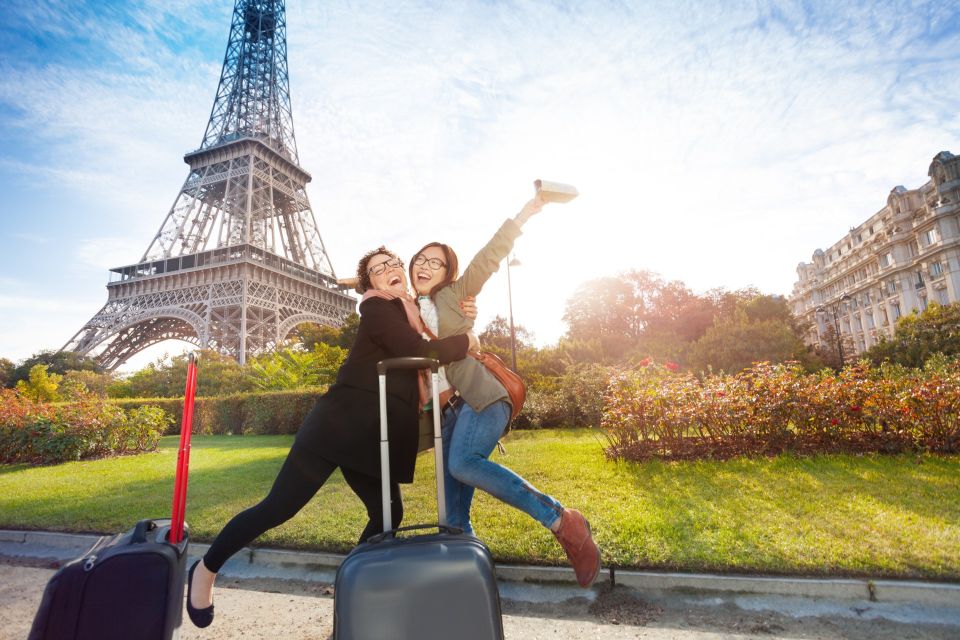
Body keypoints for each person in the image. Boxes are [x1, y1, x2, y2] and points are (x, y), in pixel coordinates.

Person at [186, 247, 477, 628]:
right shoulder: (377, 308)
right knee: (279, 507)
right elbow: (418, 351)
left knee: (388, 514)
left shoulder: (412, 311)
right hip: (338, 426)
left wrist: (467, 312)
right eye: (377, 269)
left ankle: (354, 591)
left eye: (392, 263)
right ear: (369, 283)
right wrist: (466, 341)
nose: (388, 269)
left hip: (374, 434)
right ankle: (206, 570)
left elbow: (438, 314)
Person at [408, 193, 601, 588]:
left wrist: (526, 212)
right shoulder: (408, 309)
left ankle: (562, 520)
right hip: (450, 412)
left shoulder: (456, 294)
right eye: (420, 260)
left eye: (435, 261)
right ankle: (468, 580)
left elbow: (489, 256)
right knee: (451, 514)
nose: (424, 265)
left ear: (448, 272)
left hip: (482, 396)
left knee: (463, 464)